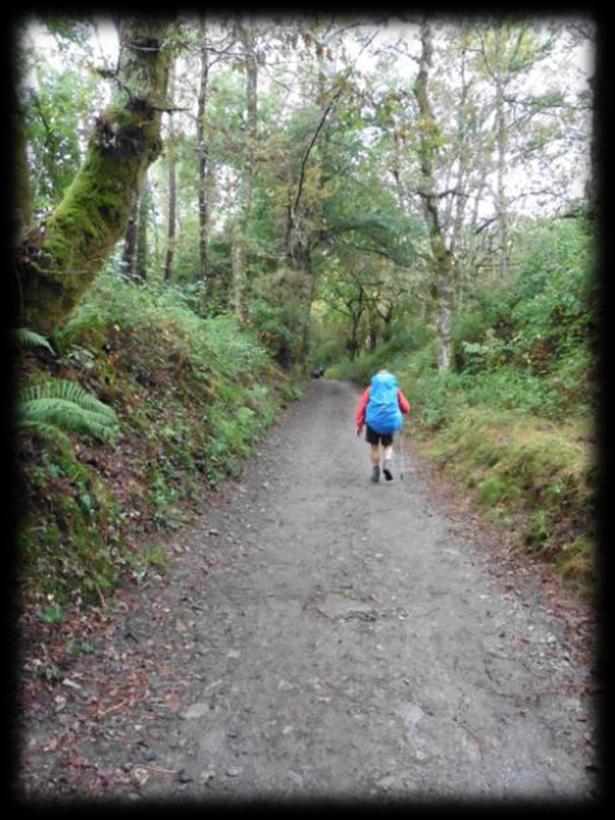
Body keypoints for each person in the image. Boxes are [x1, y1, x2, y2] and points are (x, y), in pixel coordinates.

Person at [355, 366, 411, 482]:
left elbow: (361, 408)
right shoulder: (395, 389)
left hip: (373, 422)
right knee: (388, 446)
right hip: (389, 422)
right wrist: (402, 411)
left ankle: (376, 471)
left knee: (374, 447)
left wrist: (359, 425)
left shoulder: (371, 389)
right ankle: (387, 463)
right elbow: (406, 408)